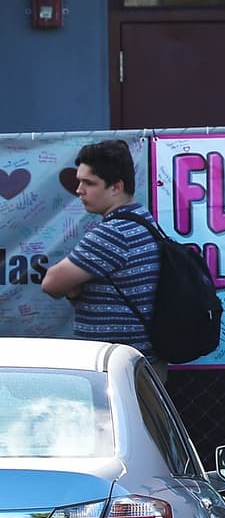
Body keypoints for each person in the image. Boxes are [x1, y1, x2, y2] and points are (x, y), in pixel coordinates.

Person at [41, 139, 165, 376]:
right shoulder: (142, 219)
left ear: (116, 187)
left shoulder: (113, 232)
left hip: (121, 371)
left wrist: (73, 288)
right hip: (140, 362)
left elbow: (51, 283)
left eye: (89, 183)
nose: (79, 190)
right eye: (79, 181)